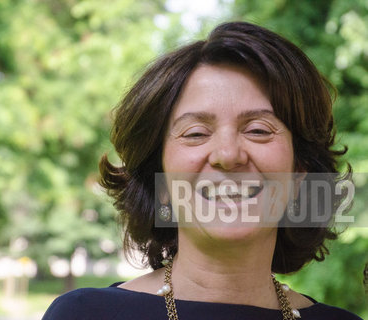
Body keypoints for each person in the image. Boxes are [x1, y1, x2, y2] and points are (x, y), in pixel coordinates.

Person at [42, 22, 363, 320]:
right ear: (161, 180)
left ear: (300, 172)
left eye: (258, 130)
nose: (228, 155)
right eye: (195, 133)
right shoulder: (86, 315)